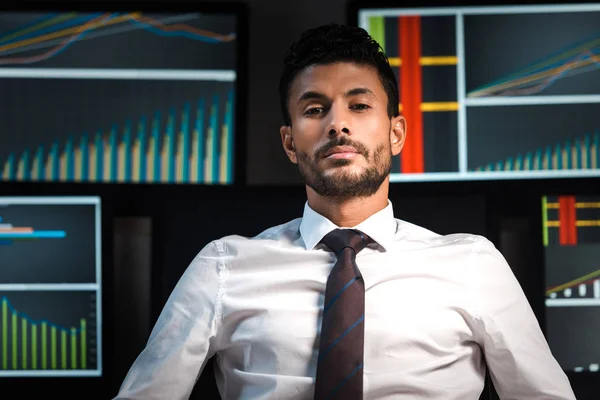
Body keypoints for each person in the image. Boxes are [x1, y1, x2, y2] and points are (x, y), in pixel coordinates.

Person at [114, 24, 576, 400]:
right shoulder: (223, 266)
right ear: (290, 142)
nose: (338, 123)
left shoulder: (474, 264)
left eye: (359, 105)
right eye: (315, 109)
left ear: (395, 134)